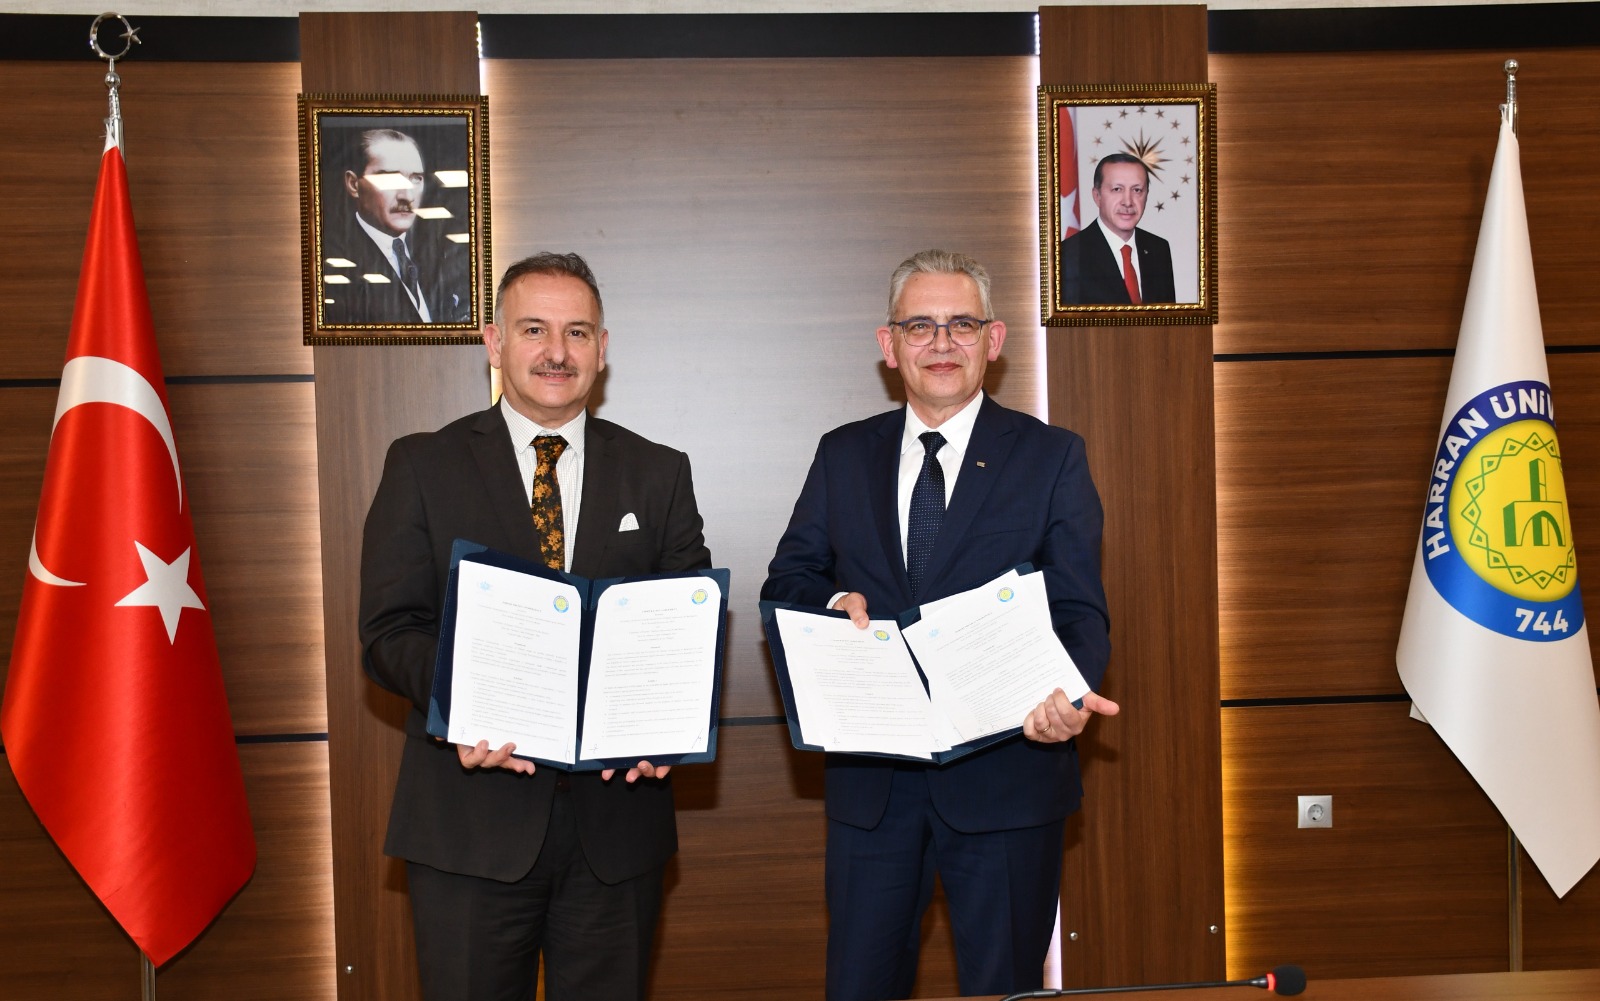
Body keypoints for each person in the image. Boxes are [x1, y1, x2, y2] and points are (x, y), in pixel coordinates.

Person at [762, 249, 1117, 1001]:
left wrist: (1067, 696)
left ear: (995, 339)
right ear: (889, 346)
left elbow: (1079, 610)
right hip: (874, 788)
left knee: (1004, 989)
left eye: (961, 323)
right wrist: (833, 603)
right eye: (920, 325)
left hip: (1010, 777)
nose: (942, 342)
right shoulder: (842, 454)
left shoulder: (1052, 457)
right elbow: (789, 580)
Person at [359, 252, 711, 1000]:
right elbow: (390, 631)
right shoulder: (422, 465)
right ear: (494, 343)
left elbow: (687, 633)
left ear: (602, 349)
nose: (557, 351)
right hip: (468, 825)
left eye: (577, 332)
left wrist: (666, 730)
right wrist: (465, 702)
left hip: (617, 827)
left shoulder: (659, 472)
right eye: (533, 330)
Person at [322, 127, 470, 324]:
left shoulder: (439, 254)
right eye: (390, 178)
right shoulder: (334, 268)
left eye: (416, 179)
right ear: (353, 184)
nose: (407, 196)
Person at [1059, 152, 1176, 305]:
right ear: (1097, 196)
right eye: (1117, 189)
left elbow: (1169, 317)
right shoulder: (1068, 255)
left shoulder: (1158, 249)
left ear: (1146, 195)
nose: (1128, 202)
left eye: (1137, 190)